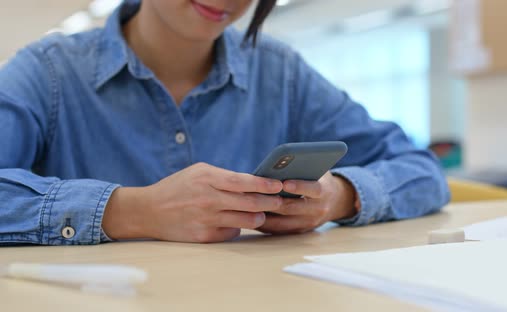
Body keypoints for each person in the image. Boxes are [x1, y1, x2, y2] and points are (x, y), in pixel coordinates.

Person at [0, 0, 449, 245]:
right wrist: (132, 210)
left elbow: (421, 168)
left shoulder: (281, 72)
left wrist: (338, 197)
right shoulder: (49, 71)